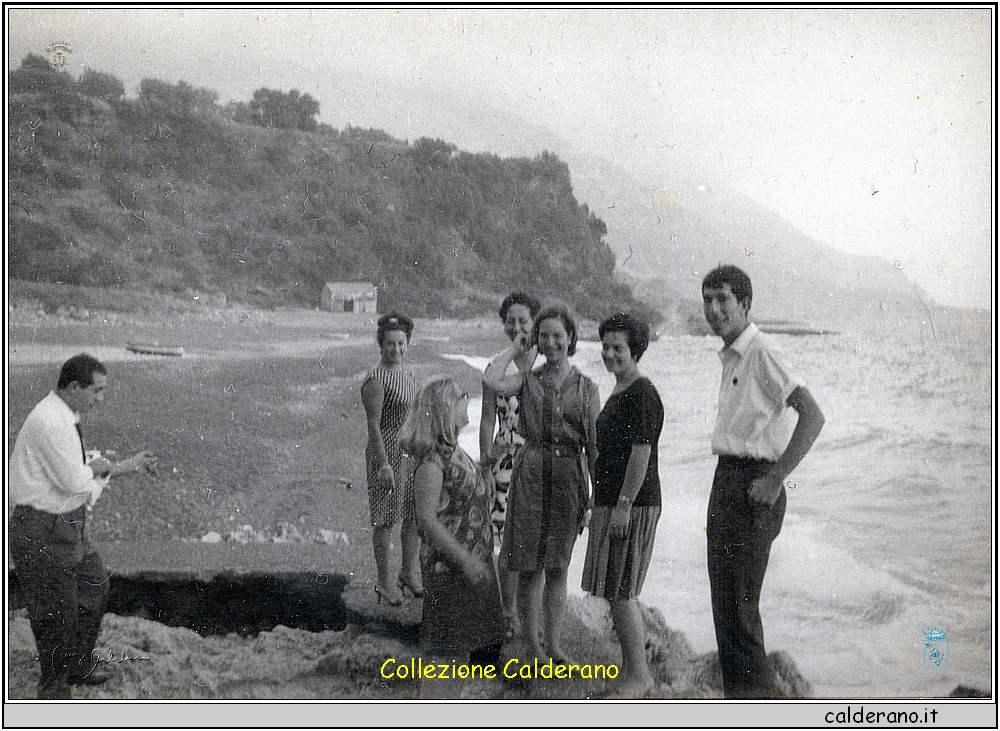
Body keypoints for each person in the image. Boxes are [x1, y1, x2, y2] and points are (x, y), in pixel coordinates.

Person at [701, 265, 825, 698]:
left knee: (740, 609)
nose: (714, 309)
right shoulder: (733, 353)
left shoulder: (762, 351)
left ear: (746, 304)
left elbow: (812, 415)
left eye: (723, 299)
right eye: (708, 300)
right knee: (725, 610)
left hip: (755, 486)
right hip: (728, 480)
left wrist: (776, 479)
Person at [9, 354, 157, 699]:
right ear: (74, 387)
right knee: (54, 613)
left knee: (94, 585)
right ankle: (54, 690)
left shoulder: (64, 414)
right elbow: (76, 482)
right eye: (97, 390)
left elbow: (79, 475)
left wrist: (120, 466)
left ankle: (77, 666)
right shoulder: (51, 421)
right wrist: (106, 465)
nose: (100, 399)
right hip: (41, 527)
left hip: (65, 524)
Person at [483, 304, 599, 664]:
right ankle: (534, 648)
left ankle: (554, 645)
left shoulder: (586, 386)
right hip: (531, 475)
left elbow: (594, 446)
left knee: (558, 567)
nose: (550, 343)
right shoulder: (527, 380)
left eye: (558, 336)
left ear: (571, 339)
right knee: (529, 567)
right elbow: (490, 380)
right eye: (543, 335)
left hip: (568, 478)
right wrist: (517, 348)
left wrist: (596, 496)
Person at [399, 375, 504, 698]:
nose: (466, 401)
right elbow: (426, 520)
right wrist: (466, 559)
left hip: (464, 565)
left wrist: (489, 461)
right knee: (445, 653)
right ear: (445, 408)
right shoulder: (432, 461)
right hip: (450, 568)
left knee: (457, 651)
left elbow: (464, 493)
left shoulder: (453, 451)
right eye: (461, 396)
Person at [581, 313, 663, 697]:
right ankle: (632, 669)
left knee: (621, 588)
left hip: (633, 503)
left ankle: (640, 676)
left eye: (619, 348)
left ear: (636, 351)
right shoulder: (621, 389)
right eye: (607, 346)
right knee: (615, 586)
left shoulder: (642, 393)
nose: (610, 354)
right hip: (613, 501)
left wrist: (624, 506)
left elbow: (641, 454)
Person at [478, 291, 541, 637]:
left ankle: (532, 612)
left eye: (524, 319)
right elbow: (487, 421)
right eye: (510, 320)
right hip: (505, 462)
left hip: (540, 461)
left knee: (537, 539)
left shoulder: (548, 361)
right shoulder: (498, 365)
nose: (517, 325)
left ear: (535, 320)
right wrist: (485, 464)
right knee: (507, 540)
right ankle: (507, 610)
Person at [361, 312, 422, 606]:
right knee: (385, 519)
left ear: (407, 343)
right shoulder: (375, 379)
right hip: (385, 453)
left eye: (401, 343)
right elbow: (373, 425)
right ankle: (385, 582)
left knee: (412, 516)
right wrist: (384, 463)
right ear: (380, 344)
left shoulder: (409, 375)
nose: (396, 349)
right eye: (389, 343)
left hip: (410, 453)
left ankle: (408, 573)